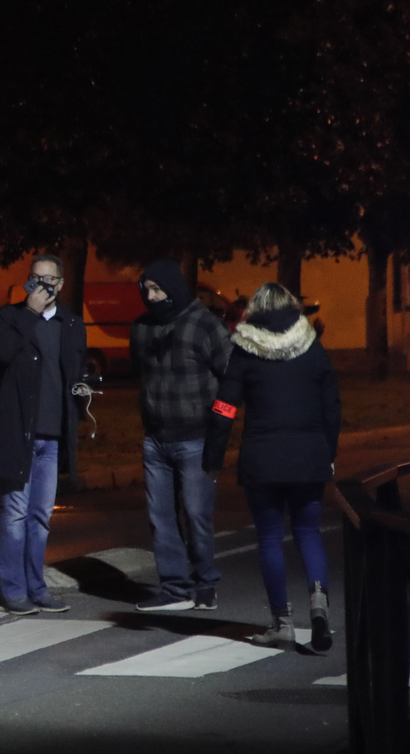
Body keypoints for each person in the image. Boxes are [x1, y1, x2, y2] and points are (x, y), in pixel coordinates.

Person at [206, 282, 339, 651]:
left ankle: (282, 623)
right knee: (309, 533)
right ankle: (319, 606)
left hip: (262, 457)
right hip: (309, 455)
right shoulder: (312, 347)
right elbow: (332, 404)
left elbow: (224, 408)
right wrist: (328, 452)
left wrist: (212, 459)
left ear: (255, 312)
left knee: (269, 539)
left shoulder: (245, 351)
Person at [0, 253, 88, 615]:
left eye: (49, 280)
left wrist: (83, 389)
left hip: (53, 435)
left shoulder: (70, 322)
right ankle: (13, 591)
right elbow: (2, 352)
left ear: (61, 284)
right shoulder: (8, 317)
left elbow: (74, 369)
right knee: (14, 513)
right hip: (16, 432)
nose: (42, 287)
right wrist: (29, 312)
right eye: (36, 280)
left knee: (41, 516)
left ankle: (36, 587)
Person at [130, 259, 233, 612]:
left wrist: (219, 427)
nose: (151, 297)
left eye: (157, 290)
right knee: (160, 517)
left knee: (196, 513)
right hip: (155, 438)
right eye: (146, 290)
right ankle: (174, 588)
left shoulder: (205, 325)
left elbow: (232, 380)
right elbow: (139, 372)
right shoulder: (142, 327)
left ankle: (206, 583)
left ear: (173, 288)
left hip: (196, 439)